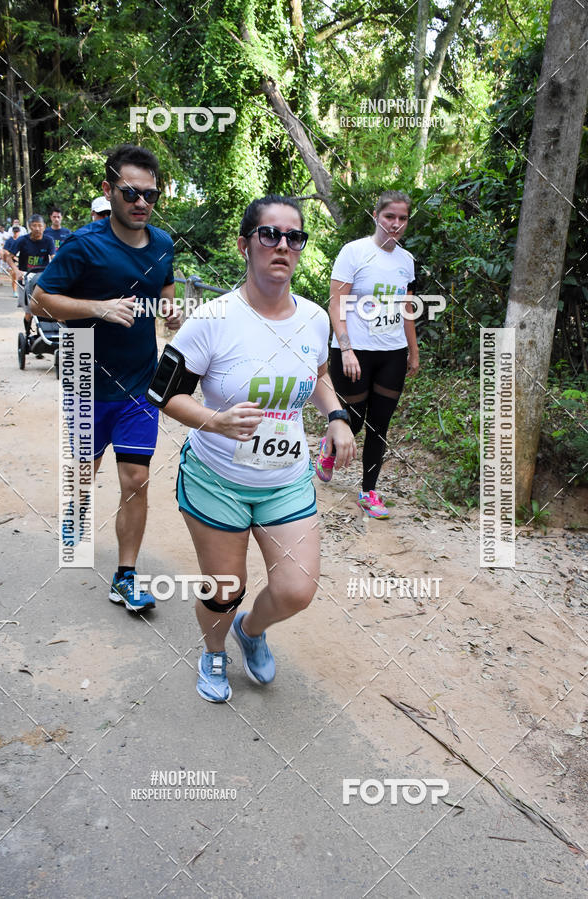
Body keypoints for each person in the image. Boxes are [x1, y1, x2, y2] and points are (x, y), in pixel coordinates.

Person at [158, 195, 357, 703]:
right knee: (224, 590)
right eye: (270, 234)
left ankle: (250, 631)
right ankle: (214, 651)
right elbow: (165, 394)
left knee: (296, 590)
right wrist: (214, 420)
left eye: (294, 238)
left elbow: (316, 375)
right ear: (245, 244)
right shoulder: (213, 319)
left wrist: (335, 416)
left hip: (285, 479)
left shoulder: (313, 319)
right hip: (216, 479)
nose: (283, 246)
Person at [32, 144, 181, 612]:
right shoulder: (84, 245)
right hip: (85, 379)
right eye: (130, 192)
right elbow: (39, 300)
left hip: (139, 383)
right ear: (108, 191)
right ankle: (75, 528)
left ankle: (126, 575)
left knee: (136, 478)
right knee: (82, 476)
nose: (141, 202)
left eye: (150, 195)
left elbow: (165, 286)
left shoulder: (161, 243)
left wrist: (170, 311)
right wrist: (98, 308)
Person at [324, 189, 419, 519]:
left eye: (402, 218)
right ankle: (330, 443)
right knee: (355, 420)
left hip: (392, 352)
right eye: (389, 216)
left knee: (380, 425)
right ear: (376, 216)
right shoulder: (354, 252)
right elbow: (337, 302)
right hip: (354, 351)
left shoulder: (405, 260)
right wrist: (346, 348)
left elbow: (406, 307)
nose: (395, 223)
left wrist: (413, 350)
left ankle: (369, 492)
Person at [12, 215, 55, 334]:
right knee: (29, 311)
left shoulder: (48, 240)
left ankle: (49, 332)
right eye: (34, 225)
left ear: (44, 227)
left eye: (39, 225)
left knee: (48, 306)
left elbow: (53, 257)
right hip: (26, 276)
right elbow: (8, 256)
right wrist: (16, 270)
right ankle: (27, 332)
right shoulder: (22, 240)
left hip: (42, 277)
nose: (37, 228)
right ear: (30, 227)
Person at [1, 224, 21, 297]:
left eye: (17, 232)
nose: (16, 233)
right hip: (12, 260)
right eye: (15, 232)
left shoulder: (22, 239)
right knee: (14, 275)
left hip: (21, 260)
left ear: (19, 232)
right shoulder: (9, 240)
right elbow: (5, 250)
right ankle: (15, 291)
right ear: (12, 232)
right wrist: (14, 257)